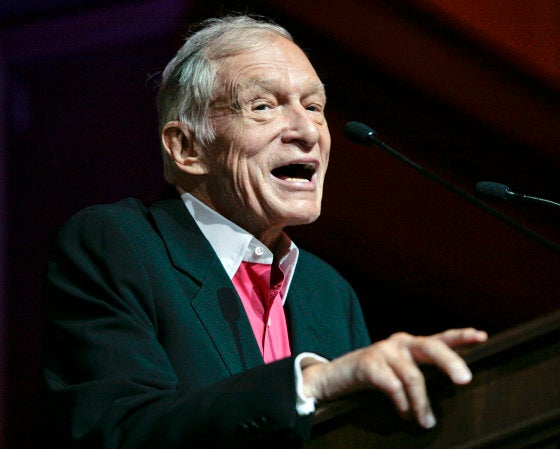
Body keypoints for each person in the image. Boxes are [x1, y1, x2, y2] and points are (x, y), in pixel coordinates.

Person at [40, 14, 488, 449]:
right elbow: (118, 431)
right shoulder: (117, 245)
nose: (307, 131)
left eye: (314, 106)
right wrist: (311, 383)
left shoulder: (330, 295)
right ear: (187, 147)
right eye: (263, 106)